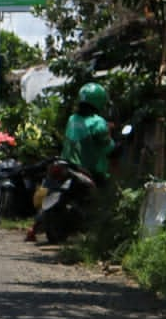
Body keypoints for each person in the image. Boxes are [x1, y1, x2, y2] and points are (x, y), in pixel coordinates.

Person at [27, 81, 114, 240]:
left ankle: (34, 228)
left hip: (66, 164)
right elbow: (108, 147)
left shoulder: (72, 119)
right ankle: (100, 231)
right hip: (88, 169)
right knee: (105, 197)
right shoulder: (98, 122)